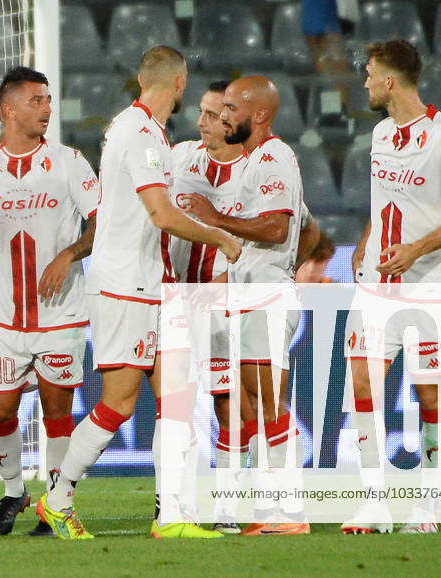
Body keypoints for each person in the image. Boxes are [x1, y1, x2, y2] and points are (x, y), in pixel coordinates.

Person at [37, 45, 241, 540]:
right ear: (180, 82)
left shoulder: (150, 133)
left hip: (155, 285)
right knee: (118, 404)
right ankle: (57, 500)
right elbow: (162, 214)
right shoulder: (139, 131)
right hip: (126, 285)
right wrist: (222, 237)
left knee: (178, 400)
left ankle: (172, 517)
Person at [342, 39, 441, 535]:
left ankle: (426, 507)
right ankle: (374, 504)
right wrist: (366, 239)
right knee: (362, 382)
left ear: (389, 81)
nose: (365, 82)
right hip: (378, 285)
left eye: (370, 74)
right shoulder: (380, 134)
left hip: (431, 288)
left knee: (428, 392)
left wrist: (415, 251)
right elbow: (387, 198)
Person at [184, 75, 310, 536]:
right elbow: (296, 229)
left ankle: (292, 512)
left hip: (269, 297)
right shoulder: (255, 161)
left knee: (270, 402)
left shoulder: (274, 157)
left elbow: (277, 229)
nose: (222, 117)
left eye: (232, 109)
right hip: (250, 294)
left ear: (258, 114)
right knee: (255, 402)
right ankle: (270, 507)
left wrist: (213, 218)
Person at [0, 66, 99, 536]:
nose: (47, 108)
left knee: (56, 412)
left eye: (49, 100)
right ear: (8, 109)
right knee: (0, 411)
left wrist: (68, 254)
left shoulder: (68, 161)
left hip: (61, 313)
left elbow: (100, 222)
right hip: (6, 317)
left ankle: (56, 503)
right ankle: (13, 492)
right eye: (36, 100)